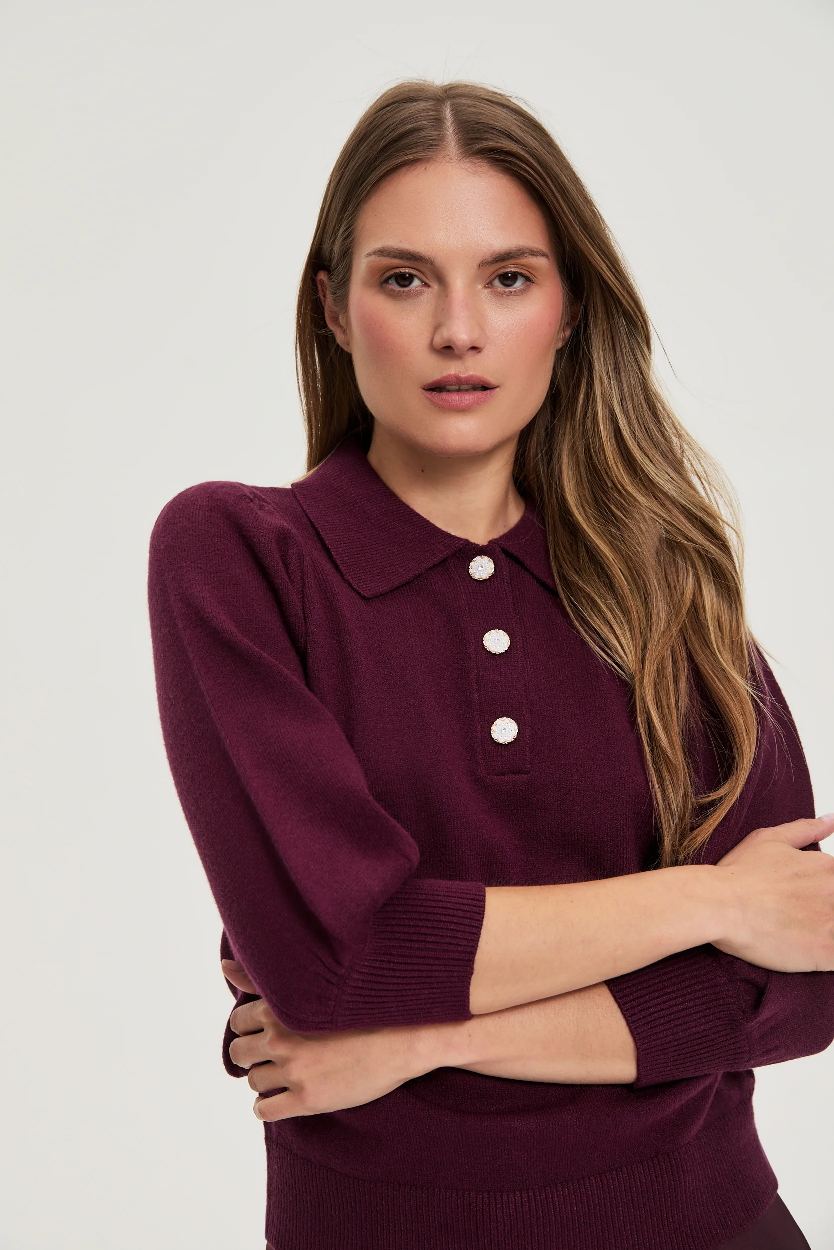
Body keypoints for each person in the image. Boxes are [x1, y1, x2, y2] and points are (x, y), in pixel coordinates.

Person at [147, 80, 834, 1250]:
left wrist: (423, 1035)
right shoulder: (242, 557)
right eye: (405, 279)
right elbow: (339, 955)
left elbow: (798, 978)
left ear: (569, 311)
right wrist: (714, 900)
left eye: (508, 278)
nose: (458, 331)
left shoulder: (661, 582)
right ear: (332, 307)